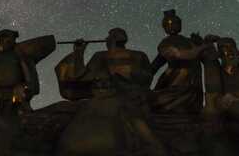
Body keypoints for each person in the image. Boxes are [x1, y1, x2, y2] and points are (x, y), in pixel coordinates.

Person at [55, 28, 166, 156]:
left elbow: (84, 76)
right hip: (120, 95)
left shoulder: (106, 56)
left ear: (112, 40)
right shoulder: (134, 55)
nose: (106, 40)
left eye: (108, 37)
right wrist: (79, 53)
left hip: (124, 96)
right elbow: (147, 77)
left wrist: (79, 53)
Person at [149, 10, 219, 156]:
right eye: (168, 24)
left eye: (175, 22)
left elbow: (205, 58)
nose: (172, 26)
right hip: (173, 83)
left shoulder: (191, 42)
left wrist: (206, 46)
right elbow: (156, 66)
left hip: (190, 87)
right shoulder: (166, 44)